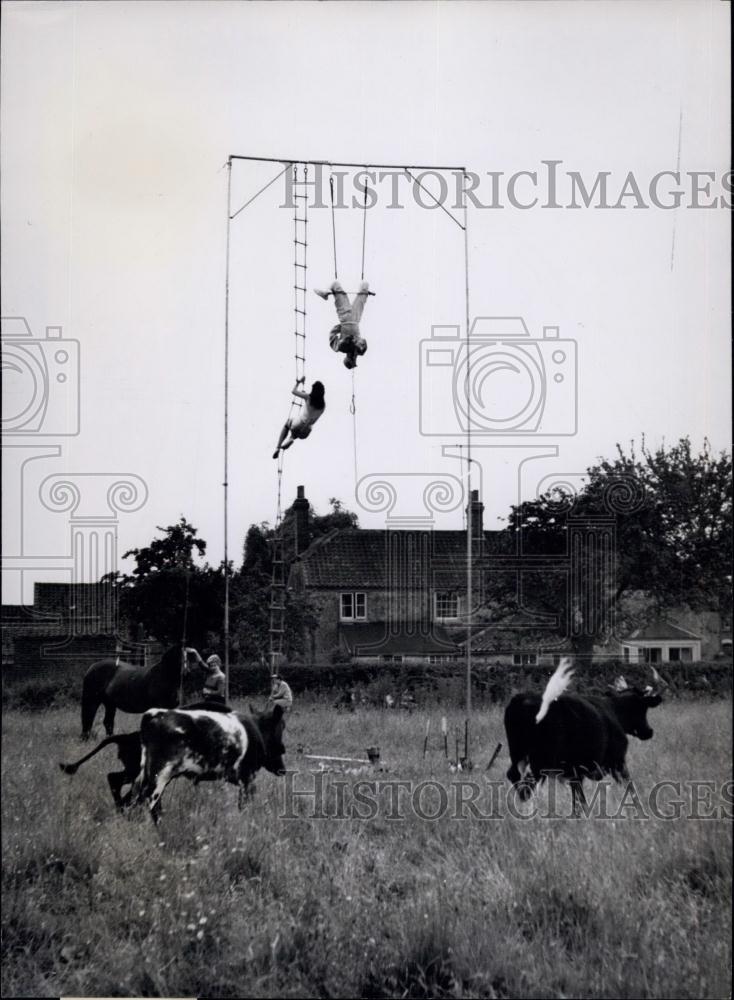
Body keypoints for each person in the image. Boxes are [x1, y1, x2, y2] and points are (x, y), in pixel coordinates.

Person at [314, 280, 370, 369]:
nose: (353, 357)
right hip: (356, 319)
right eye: (354, 360)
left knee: (335, 284)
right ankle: (364, 291)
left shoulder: (341, 347)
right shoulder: (360, 351)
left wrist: (339, 328)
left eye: (351, 359)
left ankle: (325, 294)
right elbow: (364, 342)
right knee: (365, 286)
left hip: (345, 317)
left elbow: (332, 337)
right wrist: (358, 345)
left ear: (347, 357)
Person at [272, 378, 326, 459]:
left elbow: (293, 391)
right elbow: (311, 416)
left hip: (299, 423)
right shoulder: (323, 406)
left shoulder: (308, 397)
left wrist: (298, 383)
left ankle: (278, 447)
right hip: (306, 432)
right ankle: (292, 438)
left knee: (288, 423)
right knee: (298, 430)